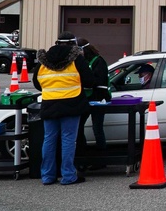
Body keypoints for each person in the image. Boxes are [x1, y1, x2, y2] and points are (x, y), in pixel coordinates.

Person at [34, 31, 96, 185]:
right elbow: (89, 81)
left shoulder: (43, 60)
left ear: (57, 42)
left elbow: (37, 83)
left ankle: (47, 176)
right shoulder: (76, 59)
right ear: (72, 43)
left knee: (49, 140)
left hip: (49, 104)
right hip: (72, 104)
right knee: (68, 140)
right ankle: (68, 176)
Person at [75, 38, 110, 169]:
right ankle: (82, 156)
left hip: (98, 99)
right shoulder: (82, 62)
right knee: (78, 127)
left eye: (79, 50)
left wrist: (87, 82)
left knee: (97, 128)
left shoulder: (98, 61)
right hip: (85, 99)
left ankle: (101, 160)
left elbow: (99, 81)